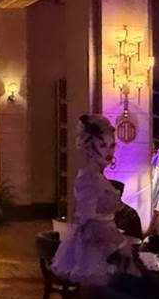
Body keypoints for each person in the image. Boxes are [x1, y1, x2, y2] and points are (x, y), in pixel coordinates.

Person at [52, 115, 135, 286]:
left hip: (104, 247)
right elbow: (88, 223)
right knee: (96, 296)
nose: (109, 152)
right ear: (90, 148)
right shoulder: (88, 178)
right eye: (102, 146)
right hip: (92, 251)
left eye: (111, 146)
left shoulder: (97, 176)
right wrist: (120, 243)